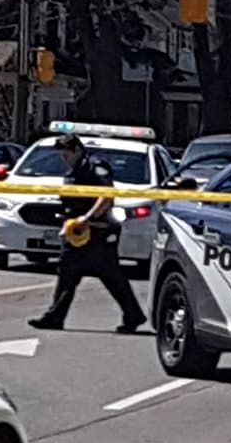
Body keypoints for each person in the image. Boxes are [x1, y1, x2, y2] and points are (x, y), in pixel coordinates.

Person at [27, 133, 147, 333]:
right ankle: (55, 317)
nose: (64, 160)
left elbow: (107, 195)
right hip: (77, 232)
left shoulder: (95, 167)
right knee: (68, 274)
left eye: (66, 155)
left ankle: (133, 314)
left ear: (77, 150)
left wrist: (87, 219)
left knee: (110, 275)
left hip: (97, 231)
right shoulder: (74, 171)